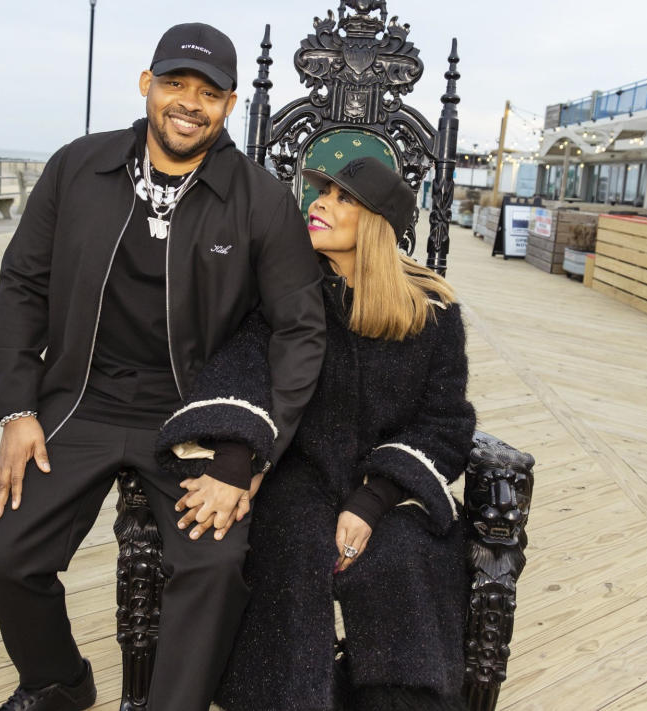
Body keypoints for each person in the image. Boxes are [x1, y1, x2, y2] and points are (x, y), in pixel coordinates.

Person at [0, 22, 326, 711]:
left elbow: (299, 330)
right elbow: (22, 282)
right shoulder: (79, 168)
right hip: (81, 401)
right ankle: (58, 681)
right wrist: (18, 409)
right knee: (5, 557)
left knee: (216, 561)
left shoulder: (260, 200)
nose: (188, 103)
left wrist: (252, 453)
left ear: (228, 107)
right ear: (147, 86)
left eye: (208, 92)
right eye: (174, 84)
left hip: (194, 414)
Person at [157, 157, 476, 711]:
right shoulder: (287, 291)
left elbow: (445, 422)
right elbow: (244, 367)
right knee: (293, 549)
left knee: (404, 559)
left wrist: (373, 499)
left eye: (341, 197)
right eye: (321, 192)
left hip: (390, 485)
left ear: (377, 224)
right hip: (298, 473)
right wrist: (237, 456)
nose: (320, 203)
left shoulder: (434, 314)